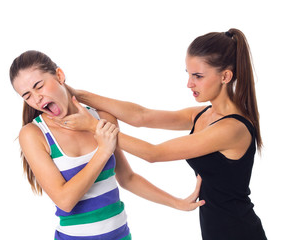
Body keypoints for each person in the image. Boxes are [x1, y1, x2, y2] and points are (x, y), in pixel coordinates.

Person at [53, 28, 268, 239]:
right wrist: (76, 94)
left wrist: (93, 127)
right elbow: (141, 116)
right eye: (188, 74)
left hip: (239, 231)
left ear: (226, 76)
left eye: (198, 76)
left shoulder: (232, 129)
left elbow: (152, 153)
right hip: (216, 230)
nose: (189, 83)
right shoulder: (203, 115)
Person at [9, 50, 205, 240]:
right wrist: (103, 151)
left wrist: (176, 203)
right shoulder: (34, 134)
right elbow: (65, 201)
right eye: (26, 95)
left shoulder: (101, 117)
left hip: (121, 235)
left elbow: (127, 178)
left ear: (59, 75)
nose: (36, 98)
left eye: (39, 86)